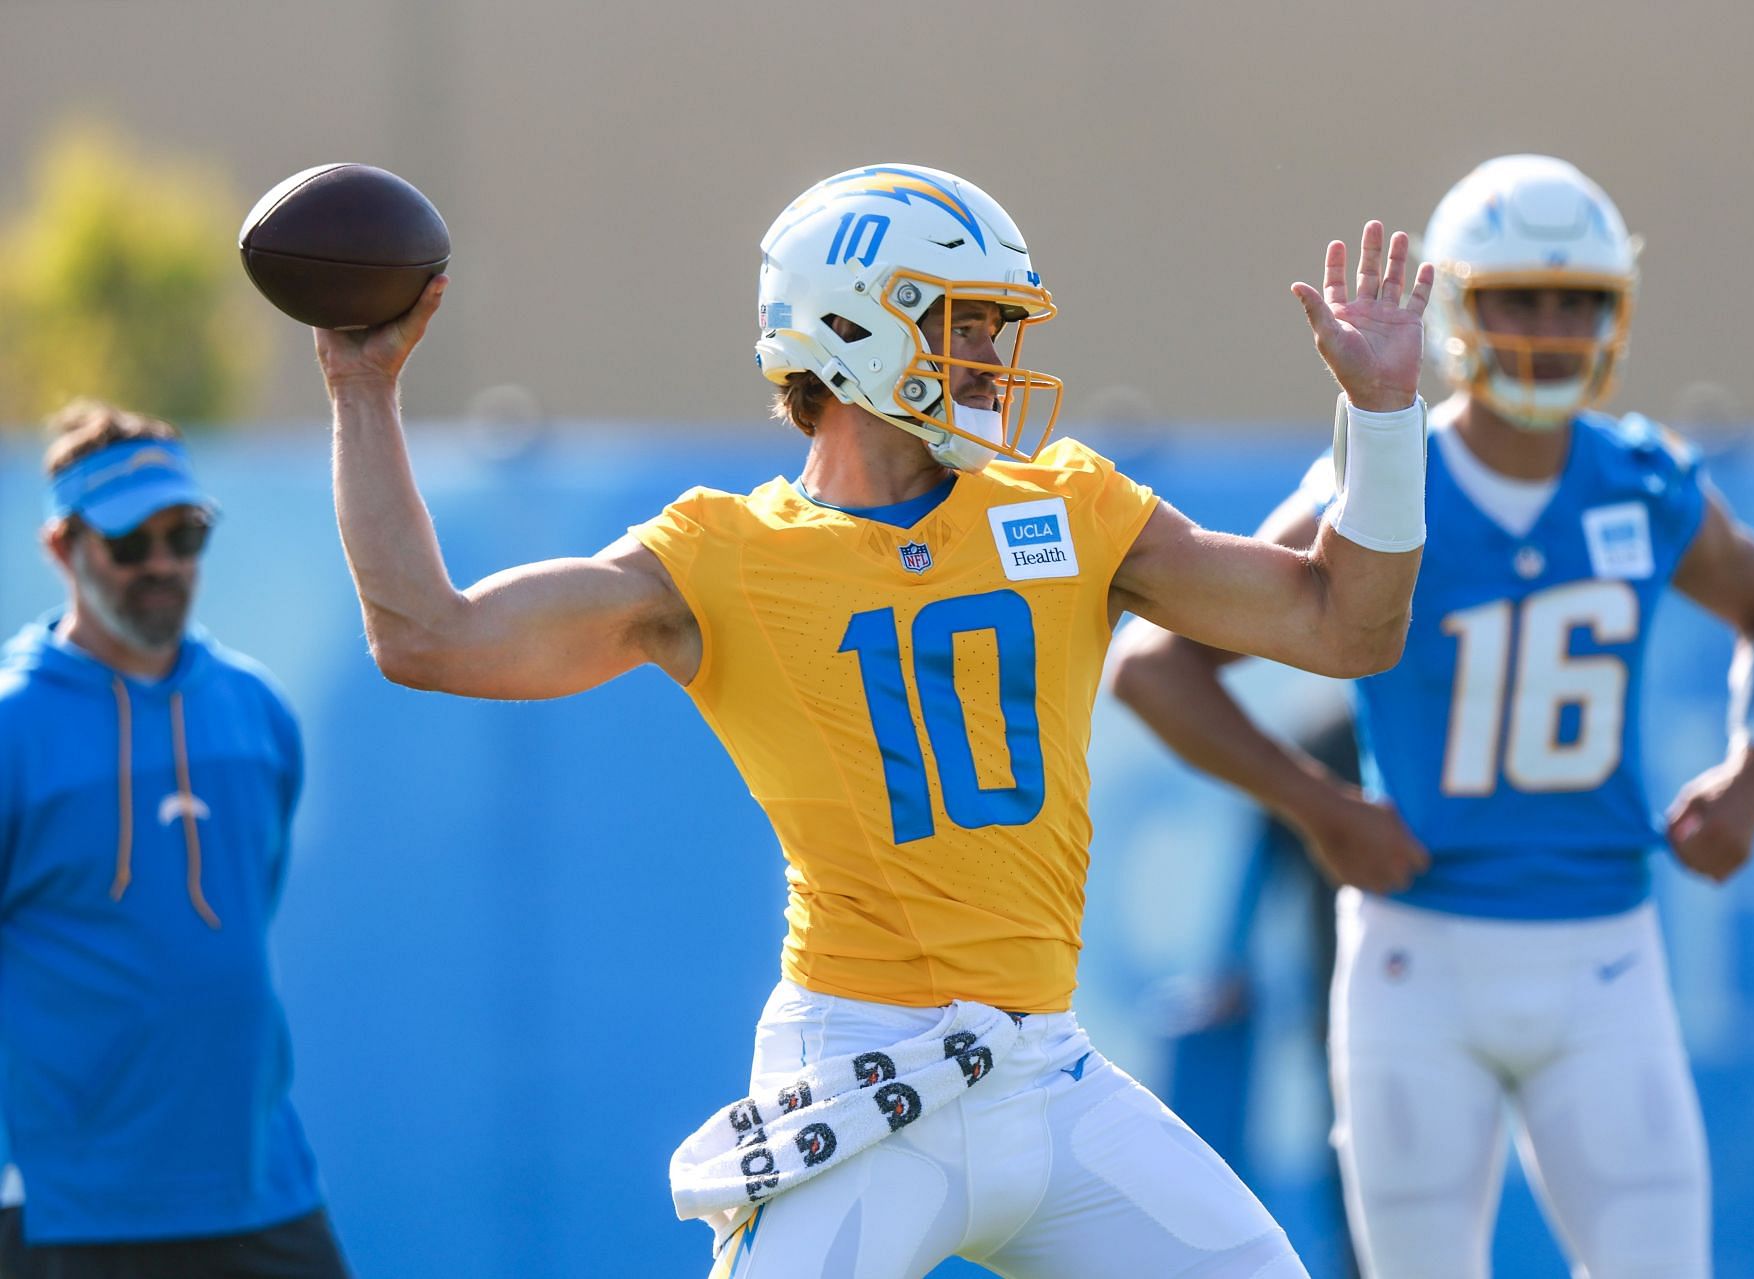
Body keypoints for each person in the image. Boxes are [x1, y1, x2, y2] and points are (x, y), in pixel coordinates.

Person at [313, 162, 1434, 1278]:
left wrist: (1383, 420)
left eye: (999, 325)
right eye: (970, 322)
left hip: (1048, 1069)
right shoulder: (724, 554)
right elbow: (430, 635)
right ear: (854, 328)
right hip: (861, 1076)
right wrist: (363, 393)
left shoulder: (1069, 506)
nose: (996, 355)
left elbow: (1347, 630)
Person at [1109, 154, 1754, 1279]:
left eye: (1577, 298)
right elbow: (1153, 665)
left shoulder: (1642, 479)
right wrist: (1322, 806)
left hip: (1605, 949)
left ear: (1616, 314)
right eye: (1518, 297)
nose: (1549, 326)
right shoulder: (1394, 479)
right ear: (1455, 311)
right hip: (1418, 952)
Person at [0, 403, 351, 1279]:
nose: (161, 564)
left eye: (184, 535)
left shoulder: (255, 710)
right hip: (70, 1203)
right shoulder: (14, 727)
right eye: (129, 543)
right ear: (62, 548)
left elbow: (244, 905)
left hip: (258, 1183)